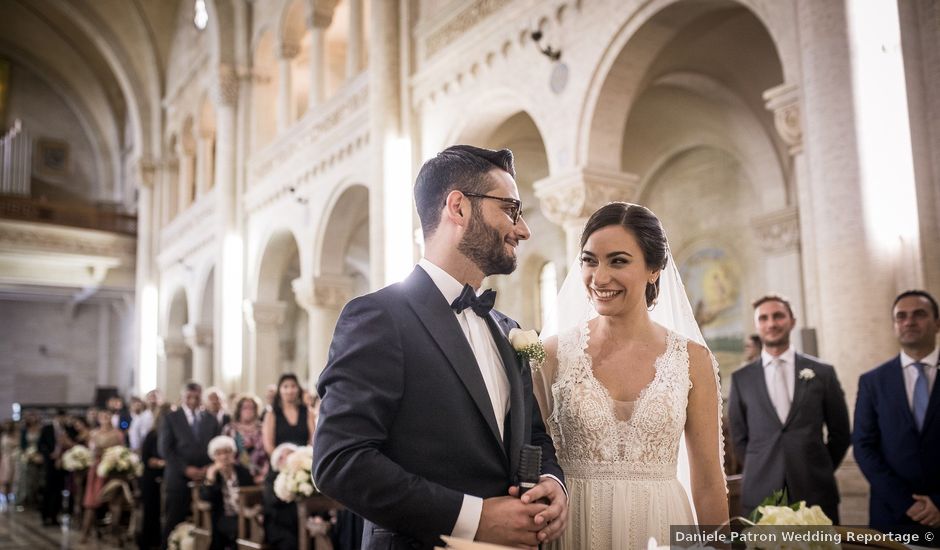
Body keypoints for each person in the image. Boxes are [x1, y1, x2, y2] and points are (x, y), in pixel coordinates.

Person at [313, 145, 567, 549]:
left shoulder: (508, 329)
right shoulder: (380, 317)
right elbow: (340, 462)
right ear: (459, 207)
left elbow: (532, 434)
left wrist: (553, 483)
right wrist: (474, 519)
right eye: (511, 209)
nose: (523, 229)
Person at [532, 202, 727, 549]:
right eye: (589, 260)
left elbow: (709, 481)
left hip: (663, 525)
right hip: (576, 530)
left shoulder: (692, 359)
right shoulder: (551, 355)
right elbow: (534, 460)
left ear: (654, 268)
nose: (600, 277)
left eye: (618, 261)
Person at [728, 294, 851, 522]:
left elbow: (841, 433)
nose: (771, 323)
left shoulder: (822, 373)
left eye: (778, 316)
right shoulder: (741, 379)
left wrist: (817, 466)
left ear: (792, 321)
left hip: (815, 489)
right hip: (761, 491)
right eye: (763, 318)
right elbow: (739, 438)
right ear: (757, 325)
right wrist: (764, 465)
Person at [853, 290, 940, 544]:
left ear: (937, 323)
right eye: (901, 316)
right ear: (894, 326)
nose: (909, 321)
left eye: (919, 314)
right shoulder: (873, 381)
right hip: (892, 516)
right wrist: (904, 502)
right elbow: (863, 445)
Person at [159, 381, 221, 546]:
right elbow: (165, 450)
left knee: (208, 520)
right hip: (178, 477)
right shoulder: (171, 418)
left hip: (205, 477)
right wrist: (185, 469)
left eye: (197, 397)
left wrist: (208, 468)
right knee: (174, 519)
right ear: (182, 397)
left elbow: (216, 446)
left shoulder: (211, 419)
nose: (193, 400)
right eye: (189, 397)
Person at [262, 373, 315, 550]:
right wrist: (283, 460)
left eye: (293, 386)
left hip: (303, 465)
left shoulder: (305, 411)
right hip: (280, 468)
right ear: (280, 390)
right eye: (285, 386)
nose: (290, 390)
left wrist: (302, 457)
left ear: (298, 389)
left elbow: (312, 439)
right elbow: (268, 445)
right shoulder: (272, 413)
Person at [201, 435, 255, 550]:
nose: (224, 456)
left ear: (233, 454)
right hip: (223, 516)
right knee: (237, 528)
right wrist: (210, 477)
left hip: (245, 514)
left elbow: (253, 494)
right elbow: (206, 498)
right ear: (213, 457)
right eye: (219, 454)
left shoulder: (243, 472)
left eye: (227, 452)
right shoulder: (212, 474)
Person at [81, 408, 125, 542]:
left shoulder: (118, 434)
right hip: (96, 471)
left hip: (112, 469)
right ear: (98, 418)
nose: (105, 417)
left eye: (107, 415)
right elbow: (90, 451)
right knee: (91, 503)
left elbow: (122, 451)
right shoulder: (93, 433)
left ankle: (114, 533)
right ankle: (86, 533)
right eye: (102, 416)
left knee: (114, 502)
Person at [138, 403, 170, 550]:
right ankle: (147, 541)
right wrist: (161, 462)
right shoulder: (152, 435)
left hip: (167, 477)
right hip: (151, 478)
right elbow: (146, 459)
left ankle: (161, 540)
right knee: (151, 511)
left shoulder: (173, 435)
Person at [38, 408, 75, 526]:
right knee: (48, 489)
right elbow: (41, 445)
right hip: (51, 463)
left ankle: (55, 516)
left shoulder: (68, 429)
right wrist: (50, 455)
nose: (63, 420)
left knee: (60, 490)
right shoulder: (47, 429)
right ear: (57, 417)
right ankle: (45, 516)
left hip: (64, 463)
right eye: (61, 418)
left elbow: (72, 444)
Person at [222, 395, 267, 483]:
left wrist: (263, 473)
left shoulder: (263, 428)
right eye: (245, 407)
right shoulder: (230, 429)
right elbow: (223, 453)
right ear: (239, 410)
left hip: (262, 474)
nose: (248, 411)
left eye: (251, 408)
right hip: (236, 475)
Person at [0, 420, 18, 507]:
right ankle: (5, 496)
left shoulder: (16, 436)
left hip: (14, 459)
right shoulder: (3, 436)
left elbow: (17, 447)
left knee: (12, 478)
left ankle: (11, 495)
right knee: (5, 478)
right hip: (5, 459)